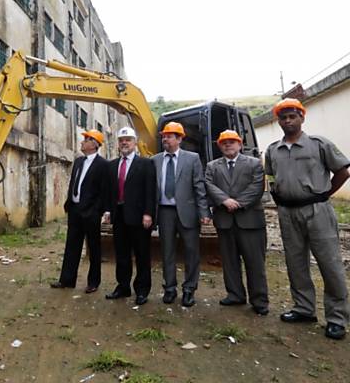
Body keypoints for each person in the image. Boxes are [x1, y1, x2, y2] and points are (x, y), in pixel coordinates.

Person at [265, 98, 350, 340]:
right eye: (283, 117)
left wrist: (324, 195)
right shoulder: (273, 150)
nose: (288, 120)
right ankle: (303, 309)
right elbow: (271, 177)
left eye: (293, 116)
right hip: (287, 213)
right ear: (278, 121)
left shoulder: (319, 144)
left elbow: (343, 172)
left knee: (330, 264)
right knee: (295, 263)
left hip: (317, 211)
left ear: (302, 117)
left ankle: (336, 318)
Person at [205, 130, 269, 315]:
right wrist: (224, 200)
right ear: (219, 146)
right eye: (224, 142)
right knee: (229, 261)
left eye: (232, 142)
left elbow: (257, 186)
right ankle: (235, 295)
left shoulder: (255, 163)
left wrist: (238, 203)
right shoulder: (212, 166)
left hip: (250, 220)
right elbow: (208, 184)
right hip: (225, 221)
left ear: (240, 144)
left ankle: (259, 301)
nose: (228, 145)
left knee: (255, 262)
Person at [153, 122, 211, 307]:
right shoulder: (155, 160)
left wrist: (204, 212)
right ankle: (169, 288)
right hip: (164, 212)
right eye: (163, 136)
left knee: (191, 252)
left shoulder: (192, 159)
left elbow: (199, 187)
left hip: (188, 212)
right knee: (167, 252)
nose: (165, 139)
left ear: (179, 139)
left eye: (169, 136)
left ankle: (189, 290)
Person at [103, 127, 157, 305]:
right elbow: (110, 192)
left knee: (142, 255)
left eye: (128, 139)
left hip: (139, 218)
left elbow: (151, 191)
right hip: (119, 217)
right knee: (122, 255)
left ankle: (142, 290)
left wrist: (148, 213)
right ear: (118, 144)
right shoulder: (112, 165)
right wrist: (108, 211)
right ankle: (123, 286)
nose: (124, 143)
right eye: (121, 140)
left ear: (135, 143)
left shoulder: (146, 164)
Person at [51, 129, 108, 293]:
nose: (82, 142)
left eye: (86, 140)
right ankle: (67, 280)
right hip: (75, 211)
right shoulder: (78, 161)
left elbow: (103, 191)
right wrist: (69, 203)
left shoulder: (103, 165)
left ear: (94, 144)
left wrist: (97, 211)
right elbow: (74, 183)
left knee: (93, 247)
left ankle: (93, 282)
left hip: (90, 213)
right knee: (71, 246)